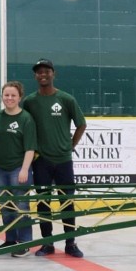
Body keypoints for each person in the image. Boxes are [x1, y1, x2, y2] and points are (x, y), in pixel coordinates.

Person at [21, 58, 87, 258]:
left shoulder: (66, 99)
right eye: (39, 72)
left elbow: (81, 124)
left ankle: (70, 243)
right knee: (43, 203)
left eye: (46, 71)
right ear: (35, 76)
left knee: (66, 202)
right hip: (41, 161)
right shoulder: (30, 101)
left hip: (64, 160)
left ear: (53, 74)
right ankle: (47, 243)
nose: (43, 74)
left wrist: (70, 145)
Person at [0, 82, 37, 257]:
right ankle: (10, 240)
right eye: (6, 95)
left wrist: (24, 169)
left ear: (20, 97)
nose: (9, 98)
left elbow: (30, 148)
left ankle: (24, 242)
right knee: (5, 205)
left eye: (13, 95)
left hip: (18, 169)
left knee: (21, 205)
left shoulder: (26, 119)